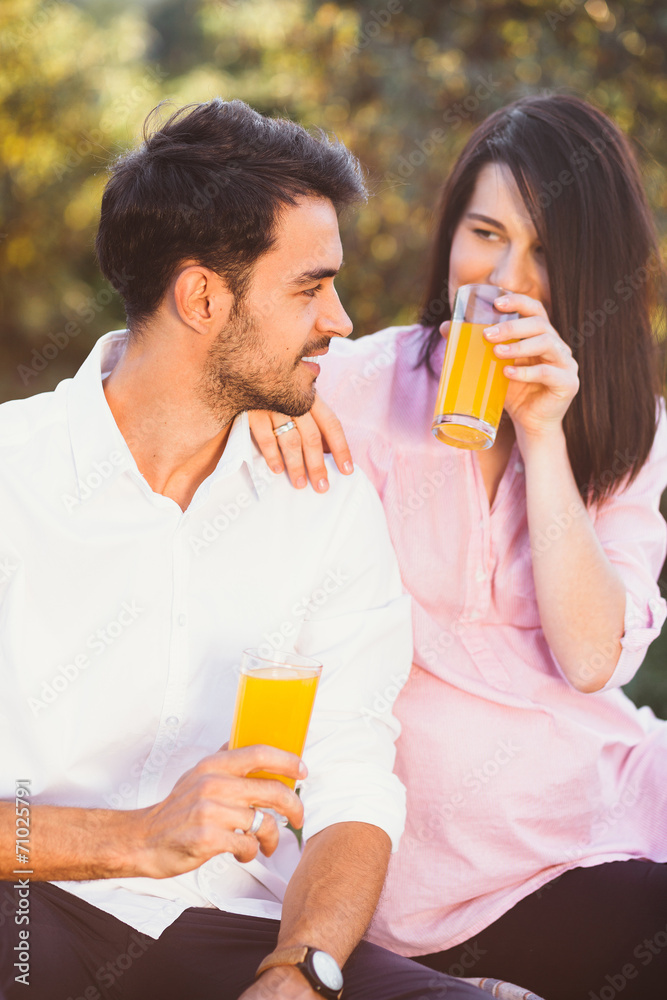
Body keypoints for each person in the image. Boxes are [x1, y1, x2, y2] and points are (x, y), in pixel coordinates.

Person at [0, 99, 488, 1000]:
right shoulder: (11, 477)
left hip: (233, 925)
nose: (340, 319)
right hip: (26, 910)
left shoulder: (322, 504)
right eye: (309, 288)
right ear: (201, 298)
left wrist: (302, 968)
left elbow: (351, 779)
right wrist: (134, 838)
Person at [249, 93, 667, 1000]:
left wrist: (544, 436)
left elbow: (591, 659)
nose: (508, 279)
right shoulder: (351, 388)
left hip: (611, 800)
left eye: (545, 251)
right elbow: (176, 376)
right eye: (485, 234)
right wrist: (253, 407)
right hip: (448, 866)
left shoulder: (629, 425)